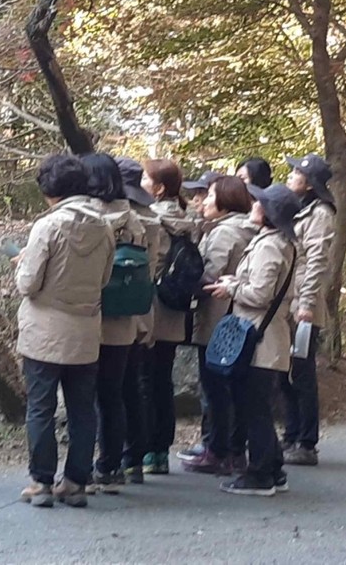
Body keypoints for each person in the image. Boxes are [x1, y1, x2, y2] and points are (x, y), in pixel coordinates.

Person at [14, 155, 114, 509]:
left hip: (44, 330)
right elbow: (104, 279)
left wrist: (23, 263)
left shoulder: (48, 226)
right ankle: (75, 481)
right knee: (82, 409)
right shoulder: (104, 227)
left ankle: (41, 482)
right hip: (86, 330)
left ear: (48, 190)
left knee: (40, 407)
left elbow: (29, 283)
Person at [203, 183, 301, 496]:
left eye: (260, 203)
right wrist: (236, 281)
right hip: (267, 338)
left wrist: (232, 289)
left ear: (270, 213)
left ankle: (259, 474)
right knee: (256, 406)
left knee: (253, 408)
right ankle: (272, 468)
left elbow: (259, 295)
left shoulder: (271, 245)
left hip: (260, 340)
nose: (254, 205)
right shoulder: (277, 242)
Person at [79, 152, 148, 495]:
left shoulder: (87, 218)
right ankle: (112, 465)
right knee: (113, 395)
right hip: (124, 321)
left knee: (85, 397)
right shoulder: (133, 219)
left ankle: (84, 467)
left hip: (89, 317)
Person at [180, 176, 256, 473]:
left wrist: (183, 278)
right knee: (236, 387)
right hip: (241, 319)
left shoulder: (224, 233)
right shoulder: (249, 229)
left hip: (218, 319)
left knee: (215, 387)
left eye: (210, 195)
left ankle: (217, 450)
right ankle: (235, 450)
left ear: (225, 201)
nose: (205, 201)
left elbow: (210, 274)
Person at [138, 158, 200, 475]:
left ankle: (147, 450)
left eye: (145, 180)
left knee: (145, 380)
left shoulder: (151, 220)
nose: (140, 185)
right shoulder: (190, 219)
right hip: (176, 307)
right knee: (163, 379)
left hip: (152, 307)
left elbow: (150, 265)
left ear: (159, 188)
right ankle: (161, 450)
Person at [282, 153, 337, 467]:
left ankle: (306, 441)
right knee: (284, 374)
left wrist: (306, 304)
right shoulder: (298, 209)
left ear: (310, 183)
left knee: (301, 374)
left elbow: (316, 261)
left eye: (297, 174)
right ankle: (290, 434)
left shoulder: (320, 214)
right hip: (288, 300)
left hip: (304, 304)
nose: (291, 177)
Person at [114, 157, 163, 485]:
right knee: (134, 385)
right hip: (142, 308)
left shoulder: (115, 219)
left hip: (113, 310)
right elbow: (153, 268)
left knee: (112, 389)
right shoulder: (152, 220)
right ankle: (135, 457)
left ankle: (115, 458)